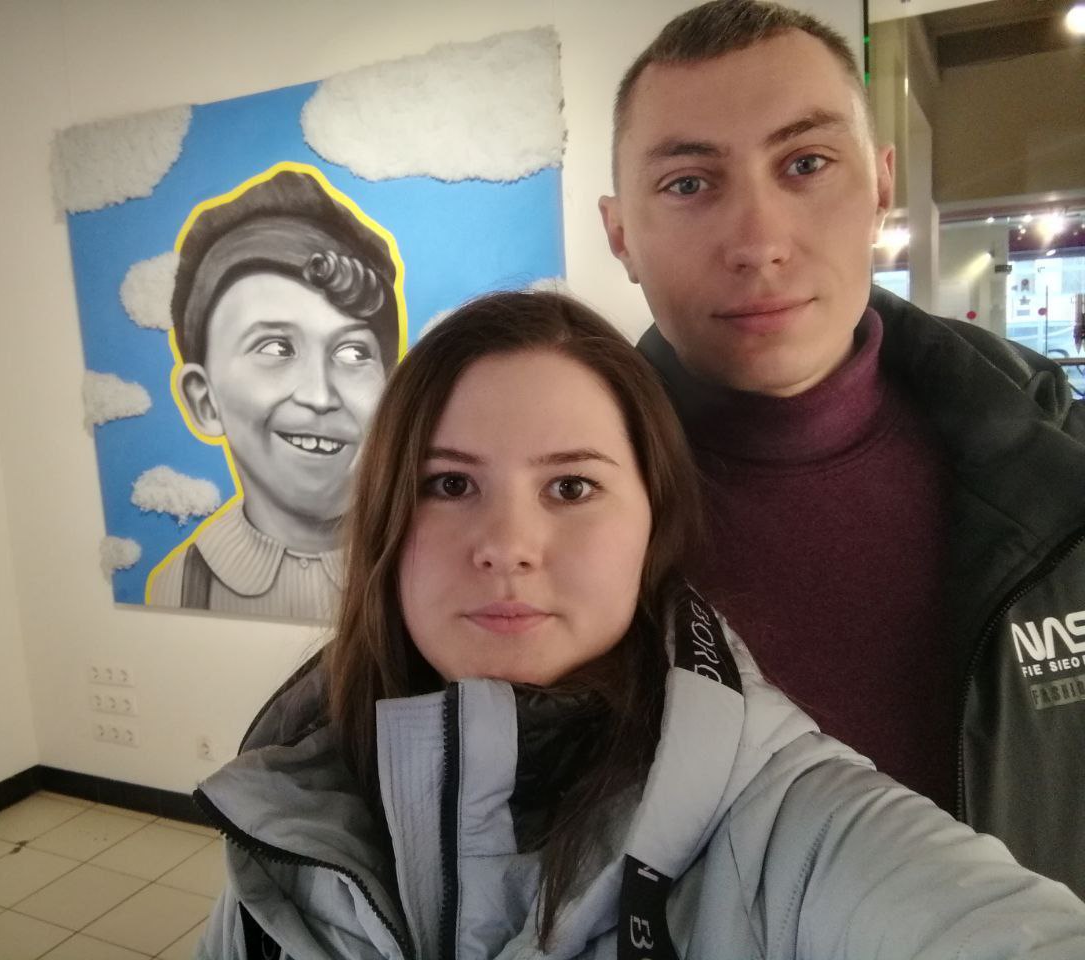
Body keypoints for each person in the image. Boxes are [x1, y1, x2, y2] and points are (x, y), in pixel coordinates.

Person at [192, 290, 1085, 960]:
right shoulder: (292, 795)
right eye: (450, 484)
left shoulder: (787, 815)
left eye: (571, 486)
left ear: (651, 522)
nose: (508, 546)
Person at [598, 0, 1085, 892]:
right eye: (689, 184)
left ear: (881, 186)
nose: (759, 243)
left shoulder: (1055, 455)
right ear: (620, 233)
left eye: (807, 164)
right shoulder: (550, 505)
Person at [146, 165, 404, 621]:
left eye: (352, 352)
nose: (320, 396)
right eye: (276, 348)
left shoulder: (421, 567)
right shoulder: (180, 584)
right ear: (205, 401)